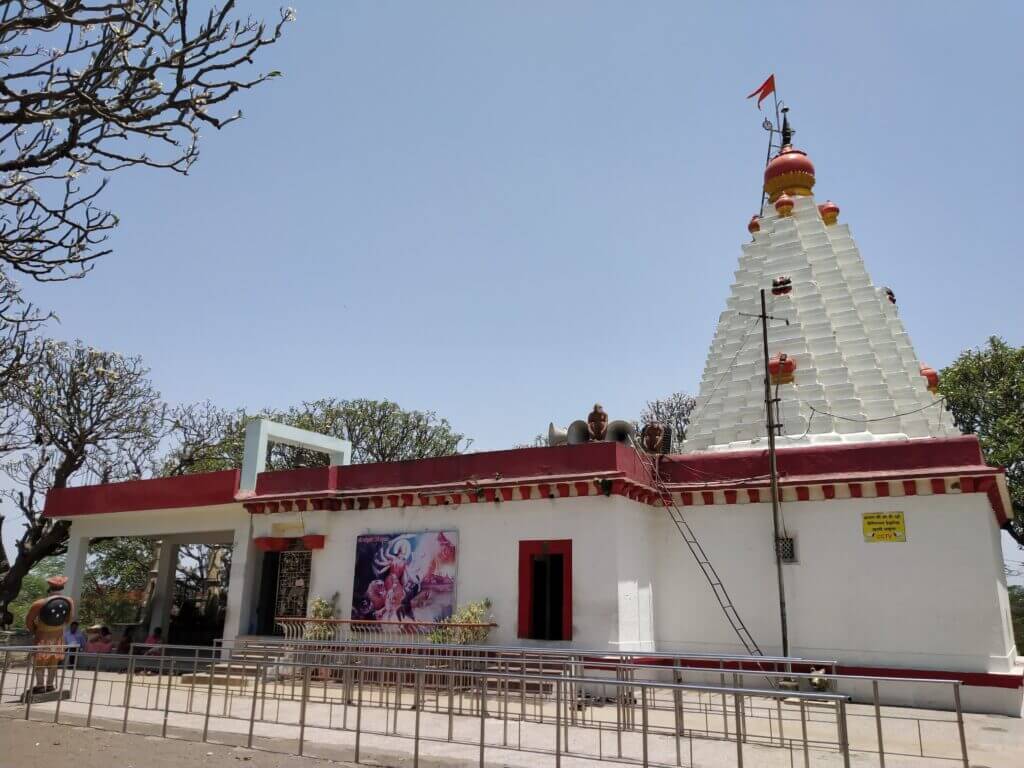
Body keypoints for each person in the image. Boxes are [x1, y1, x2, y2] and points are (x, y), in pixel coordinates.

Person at [24, 575, 74, 692]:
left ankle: (40, 685)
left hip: (42, 636)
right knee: (54, 661)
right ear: (62, 587)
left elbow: (29, 620)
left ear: (50, 587)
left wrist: (35, 630)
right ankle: (50, 685)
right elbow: (69, 620)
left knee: (40, 661)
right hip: (58, 637)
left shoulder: (39, 603)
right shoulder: (69, 602)